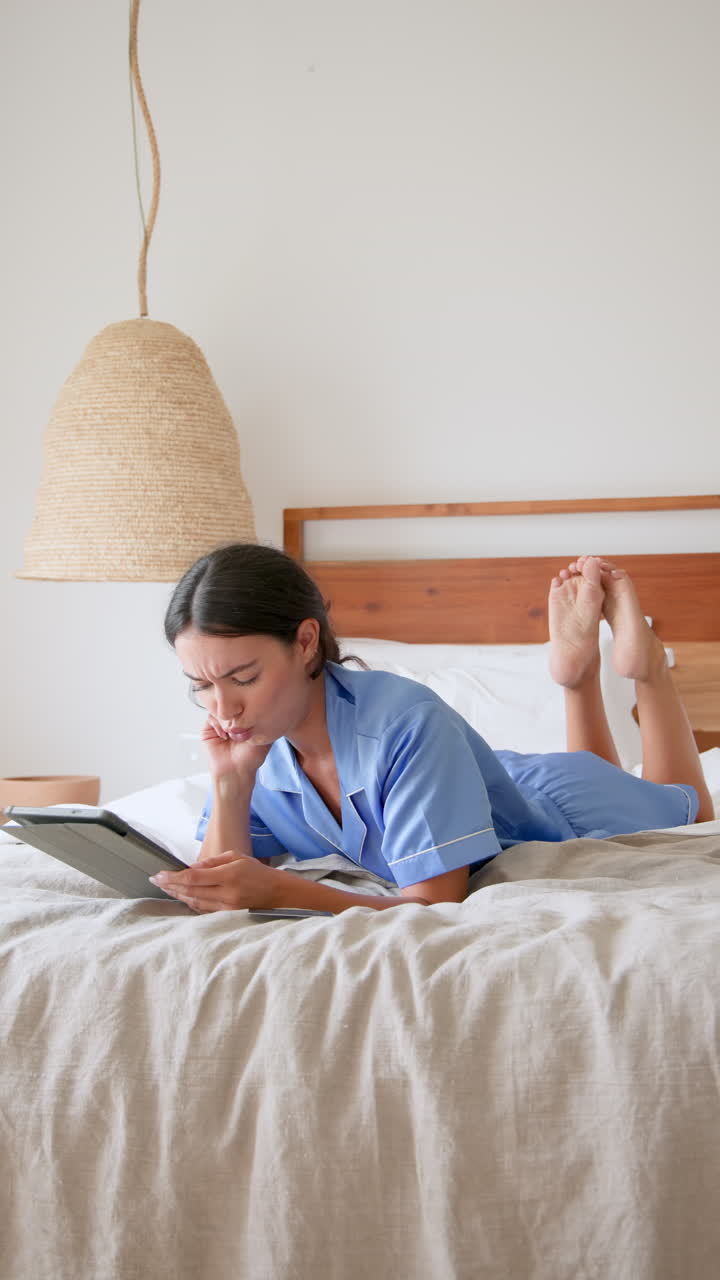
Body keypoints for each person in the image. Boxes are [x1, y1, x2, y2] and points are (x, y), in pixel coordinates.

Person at [151, 545, 713, 914]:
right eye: (200, 685)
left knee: (692, 810)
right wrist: (229, 784)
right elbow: (216, 884)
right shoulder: (259, 747)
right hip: (486, 778)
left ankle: (645, 667)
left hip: (564, 804)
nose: (223, 709)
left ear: (305, 642)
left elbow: (433, 904)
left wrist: (278, 889)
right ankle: (576, 675)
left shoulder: (404, 722)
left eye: (242, 677)